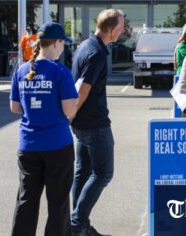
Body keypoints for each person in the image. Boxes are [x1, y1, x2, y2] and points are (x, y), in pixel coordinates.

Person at [9, 22, 77, 236]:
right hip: (57, 144)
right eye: (63, 43)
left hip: (28, 145)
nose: (63, 47)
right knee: (58, 202)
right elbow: (69, 109)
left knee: (26, 199)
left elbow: (15, 107)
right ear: (56, 43)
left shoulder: (22, 71)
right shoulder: (60, 72)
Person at [70, 9, 125, 236]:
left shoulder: (85, 45)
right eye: (121, 28)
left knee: (83, 173)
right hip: (94, 123)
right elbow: (83, 89)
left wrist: (72, 117)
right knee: (103, 173)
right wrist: (70, 114)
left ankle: (80, 225)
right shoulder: (97, 53)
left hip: (82, 123)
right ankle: (76, 224)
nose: (122, 32)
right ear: (111, 30)